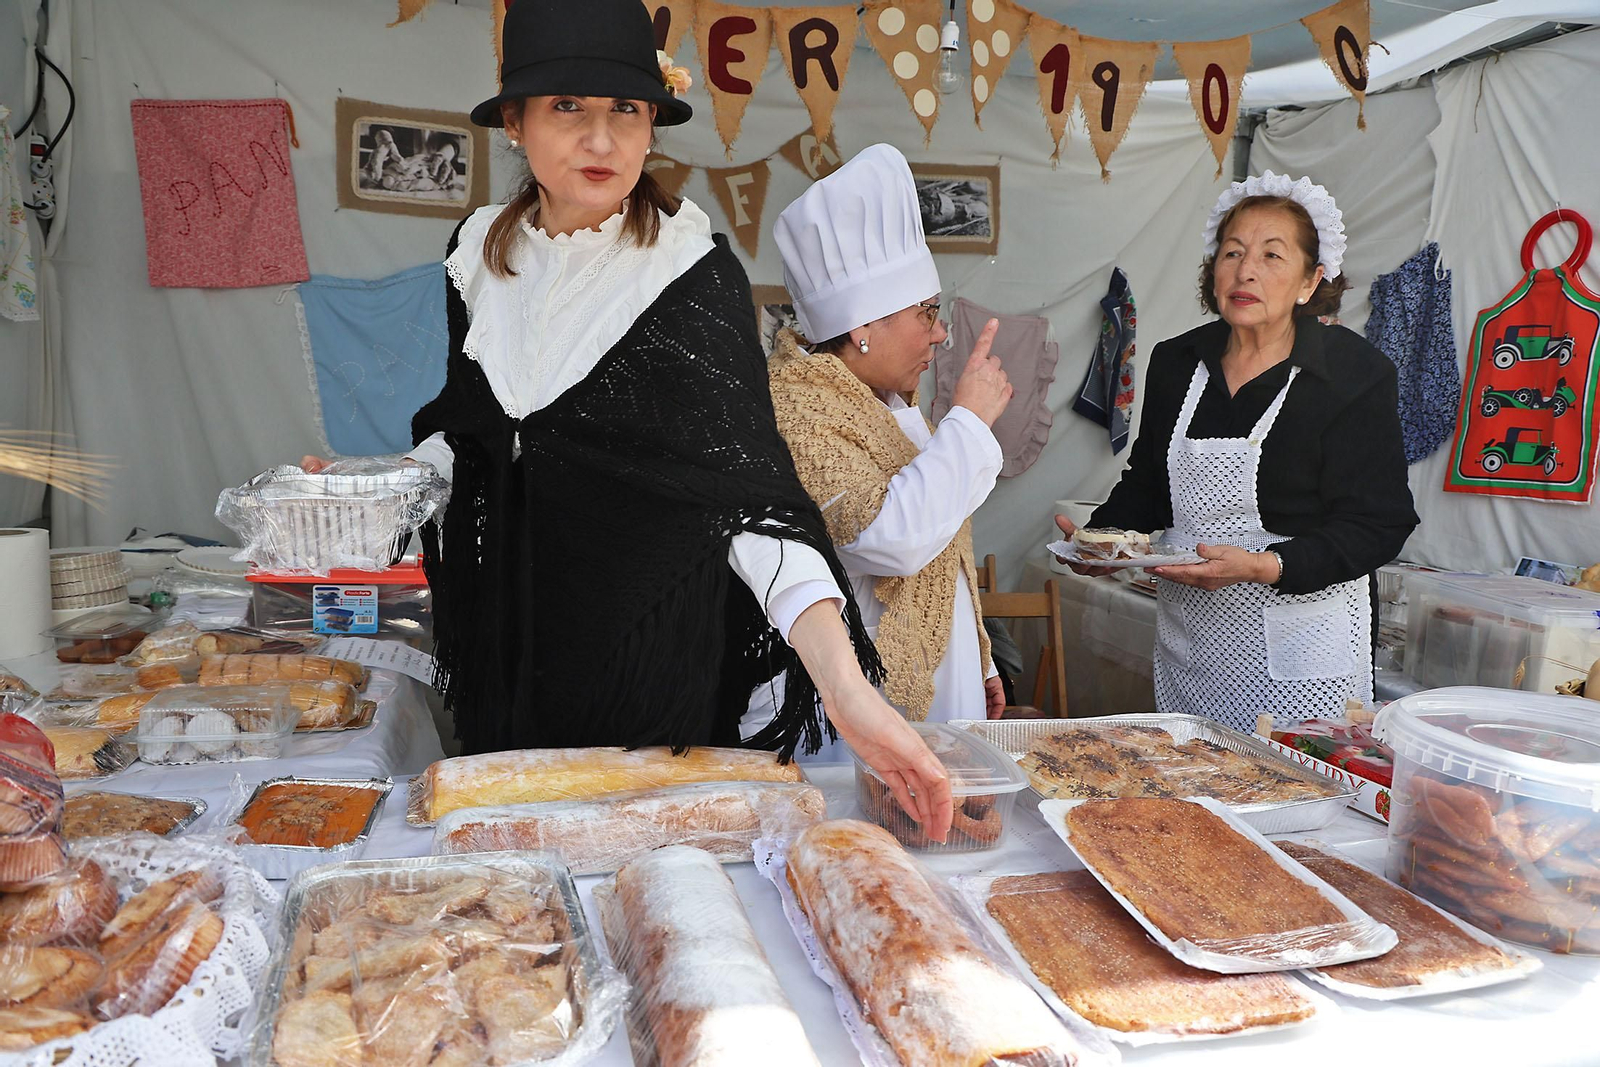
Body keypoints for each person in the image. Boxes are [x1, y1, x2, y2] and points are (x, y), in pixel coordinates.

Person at [303, 0, 954, 838]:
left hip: (649, 682)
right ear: (515, 121)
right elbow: (475, 434)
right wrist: (379, 490)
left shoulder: (689, 277)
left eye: (627, 110)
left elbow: (748, 502)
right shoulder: (477, 255)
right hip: (514, 659)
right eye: (568, 107)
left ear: (654, 124)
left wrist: (844, 686)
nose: (602, 140)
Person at [1056, 172, 1418, 732]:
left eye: (1273, 256)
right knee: (1194, 789)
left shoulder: (1353, 373)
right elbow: (1150, 484)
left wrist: (1265, 566)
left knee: (1289, 801)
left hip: (1302, 663)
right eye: (1232, 252)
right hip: (1195, 648)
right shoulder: (1178, 361)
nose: (1245, 270)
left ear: (1310, 280)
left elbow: (1379, 523)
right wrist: (1101, 539)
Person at [752, 145, 1012, 754]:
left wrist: (978, 654)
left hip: (931, 684)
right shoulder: (797, 407)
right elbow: (885, 539)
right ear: (863, 328)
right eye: (926, 313)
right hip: (850, 699)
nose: (941, 331)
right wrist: (969, 422)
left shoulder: (887, 402)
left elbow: (945, 540)